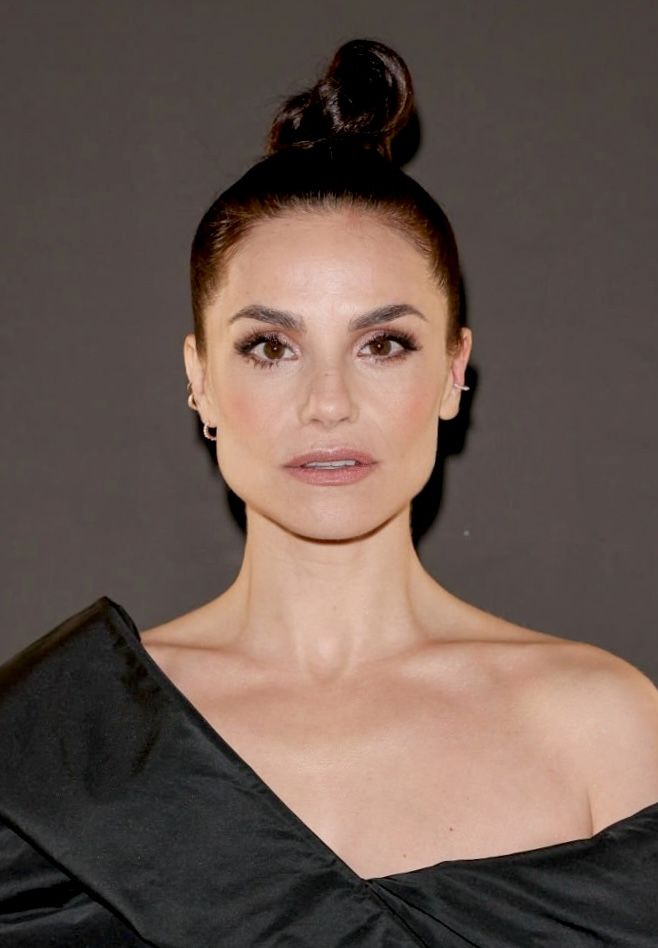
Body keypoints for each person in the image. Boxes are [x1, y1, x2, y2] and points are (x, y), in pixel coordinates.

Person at [1, 37, 657, 948]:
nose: (329, 403)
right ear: (199, 380)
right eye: (270, 347)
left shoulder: (605, 728)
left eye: (383, 344)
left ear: (454, 371)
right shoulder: (54, 743)